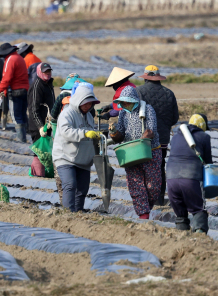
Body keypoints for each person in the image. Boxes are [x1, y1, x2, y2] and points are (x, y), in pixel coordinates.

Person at [109, 86, 164, 220]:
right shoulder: (123, 113)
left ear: (134, 100)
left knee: (153, 186)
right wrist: (114, 133)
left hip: (149, 152)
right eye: (123, 102)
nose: (125, 104)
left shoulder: (147, 109)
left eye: (128, 102)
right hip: (131, 153)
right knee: (136, 184)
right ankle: (143, 214)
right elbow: (120, 134)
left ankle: (146, 208)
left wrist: (142, 141)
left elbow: (152, 130)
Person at [52, 84, 101, 212]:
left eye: (90, 103)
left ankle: (78, 214)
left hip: (83, 159)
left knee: (83, 189)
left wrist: (97, 137)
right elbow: (66, 132)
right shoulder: (67, 113)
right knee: (70, 184)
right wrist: (84, 133)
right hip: (65, 156)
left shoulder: (89, 116)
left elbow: (91, 133)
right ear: (78, 100)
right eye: (85, 103)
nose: (88, 106)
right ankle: (68, 214)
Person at [135, 65, 179, 204]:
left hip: (145, 138)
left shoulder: (139, 91)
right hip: (163, 138)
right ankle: (159, 198)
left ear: (146, 77)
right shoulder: (169, 93)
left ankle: (146, 198)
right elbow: (174, 118)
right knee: (159, 166)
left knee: (143, 167)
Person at [166, 114, 212, 233]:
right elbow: (208, 164)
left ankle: (183, 238)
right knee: (198, 209)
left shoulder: (175, 137)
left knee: (180, 215)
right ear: (202, 126)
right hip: (191, 179)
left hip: (171, 180)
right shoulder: (204, 137)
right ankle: (200, 237)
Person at [0, 43, 30, 143]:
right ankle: (26, 138)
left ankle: (21, 140)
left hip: (15, 92)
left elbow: (6, 78)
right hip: (25, 90)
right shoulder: (19, 57)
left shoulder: (10, 59)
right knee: (22, 115)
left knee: (16, 117)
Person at [27, 63, 55, 177]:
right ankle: (38, 175)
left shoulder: (48, 84)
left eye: (49, 71)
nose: (47, 74)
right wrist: (39, 127)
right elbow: (33, 108)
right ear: (39, 72)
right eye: (45, 72)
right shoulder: (37, 85)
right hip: (38, 126)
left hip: (46, 124)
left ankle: (40, 173)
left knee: (43, 152)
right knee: (39, 152)